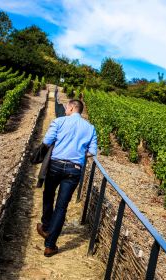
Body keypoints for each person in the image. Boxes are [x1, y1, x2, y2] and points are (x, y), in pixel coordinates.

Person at [36, 99, 97, 257]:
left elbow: (46, 141)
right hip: (74, 169)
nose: (65, 111)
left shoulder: (59, 121)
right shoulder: (90, 128)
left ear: (71, 107)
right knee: (62, 207)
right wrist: (77, 154)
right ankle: (50, 246)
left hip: (55, 165)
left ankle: (46, 227)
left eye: (66, 108)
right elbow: (92, 152)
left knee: (48, 195)